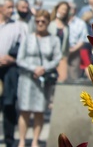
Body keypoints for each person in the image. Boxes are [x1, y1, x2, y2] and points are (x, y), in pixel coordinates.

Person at [16, 9, 61, 147]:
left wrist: (43, 68)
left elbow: (57, 58)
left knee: (39, 111)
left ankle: (35, 140)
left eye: (43, 21)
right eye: (37, 21)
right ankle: (22, 140)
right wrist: (33, 68)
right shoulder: (28, 38)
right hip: (27, 78)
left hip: (43, 81)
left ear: (48, 22)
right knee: (24, 110)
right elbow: (19, 59)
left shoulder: (54, 39)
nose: (40, 24)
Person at [0, 0, 27, 147]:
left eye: (12, 7)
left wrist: (12, 59)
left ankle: (9, 140)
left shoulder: (18, 26)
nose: (12, 10)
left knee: (9, 105)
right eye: (9, 7)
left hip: (10, 70)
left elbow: (24, 48)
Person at [47, 1, 70, 82]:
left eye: (66, 10)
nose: (64, 11)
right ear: (57, 9)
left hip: (61, 57)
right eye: (62, 9)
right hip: (49, 56)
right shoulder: (50, 24)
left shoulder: (66, 27)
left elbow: (66, 45)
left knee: (62, 79)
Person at [66, 2, 88, 81]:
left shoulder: (80, 23)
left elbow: (83, 39)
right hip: (61, 52)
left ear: (74, 10)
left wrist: (72, 50)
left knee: (73, 76)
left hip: (74, 51)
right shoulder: (61, 22)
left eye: (70, 8)